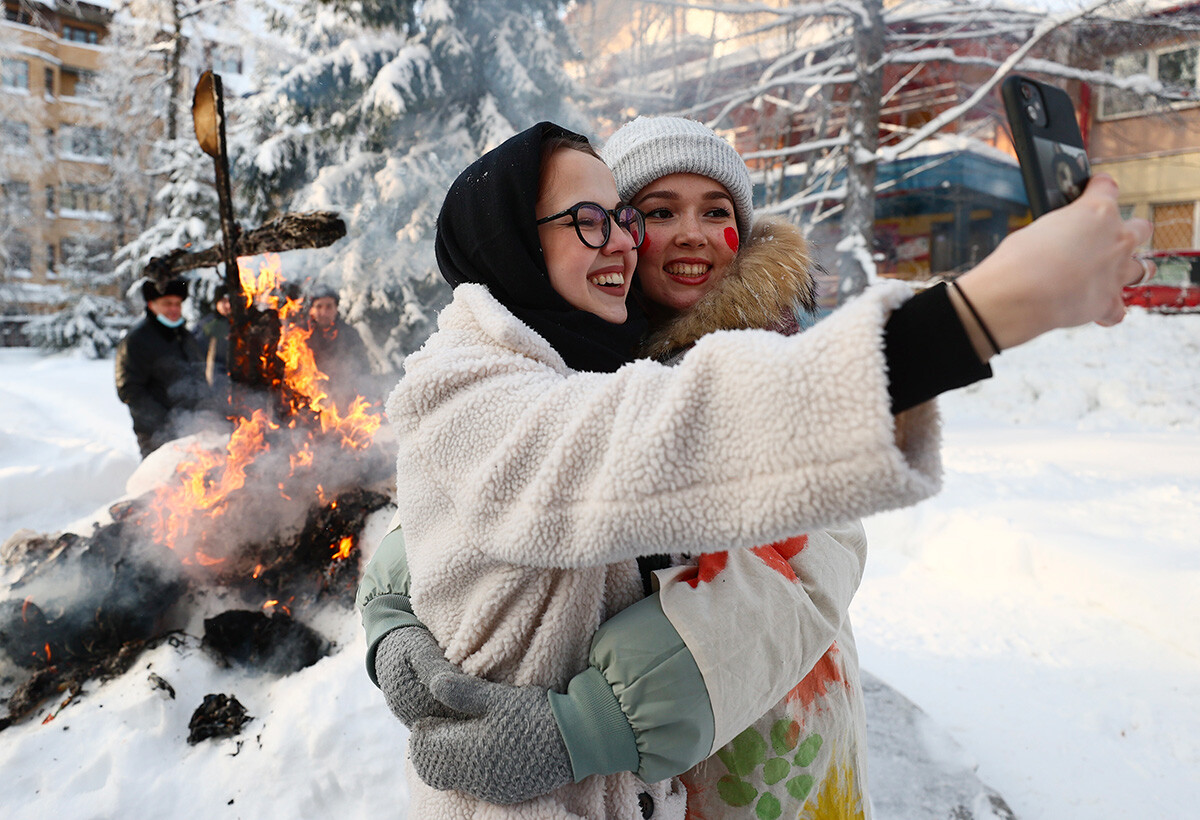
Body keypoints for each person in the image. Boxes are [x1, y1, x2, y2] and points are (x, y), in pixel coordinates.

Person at [362, 122, 1149, 819]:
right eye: (654, 211)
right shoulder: (570, 359)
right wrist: (394, 617)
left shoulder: (778, 353)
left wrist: (598, 719)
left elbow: (801, 563)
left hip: (770, 750)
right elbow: (482, 489)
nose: (687, 234)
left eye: (717, 212)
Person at [115, 278, 218, 458]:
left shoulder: (185, 337)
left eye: (178, 304)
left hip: (192, 430)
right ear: (151, 304)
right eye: (167, 303)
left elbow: (199, 378)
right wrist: (168, 423)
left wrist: (207, 413)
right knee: (164, 484)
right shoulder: (136, 340)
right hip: (156, 435)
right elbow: (130, 390)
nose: (174, 309)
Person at [304, 284, 373, 405]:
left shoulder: (350, 334)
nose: (324, 312)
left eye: (329, 307)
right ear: (312, 309)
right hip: (310, 399)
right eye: (319, 307)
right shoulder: (301, 336)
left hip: (344, 399)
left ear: (336, 308)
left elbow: (363, 368)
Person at [193, 284, 232, 386]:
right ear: (217, 302)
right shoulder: (208, 323)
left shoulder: (240, 324)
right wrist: (205, 334)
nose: (227, 305)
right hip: (214, 380)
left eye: (230, 301)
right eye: (223, 301)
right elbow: (193, 349)